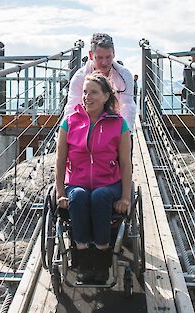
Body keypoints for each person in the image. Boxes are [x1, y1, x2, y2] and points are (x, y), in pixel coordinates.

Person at [55, 73, 132, 284]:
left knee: (100, 196)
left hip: (109, 183)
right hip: (76, 183)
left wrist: (125, 198)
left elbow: (125, 164)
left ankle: (102, 257)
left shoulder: (119, 124)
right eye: (85, 92)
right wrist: (60, 193)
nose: (87, 96)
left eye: (94, 92)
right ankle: (82, 257)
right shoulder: (69, 123)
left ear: (106, 96)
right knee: (78, 196)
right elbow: (60, 161)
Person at [65, 33, 136, 129]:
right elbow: (72, 107)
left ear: (114, 53)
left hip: (115, 124)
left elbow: (127, 106)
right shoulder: (79, 77)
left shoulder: (125, 76)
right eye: (99, 58)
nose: (104, 62)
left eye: (108, 57)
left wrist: (126, 133)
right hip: (87, 126)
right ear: (91, 55)